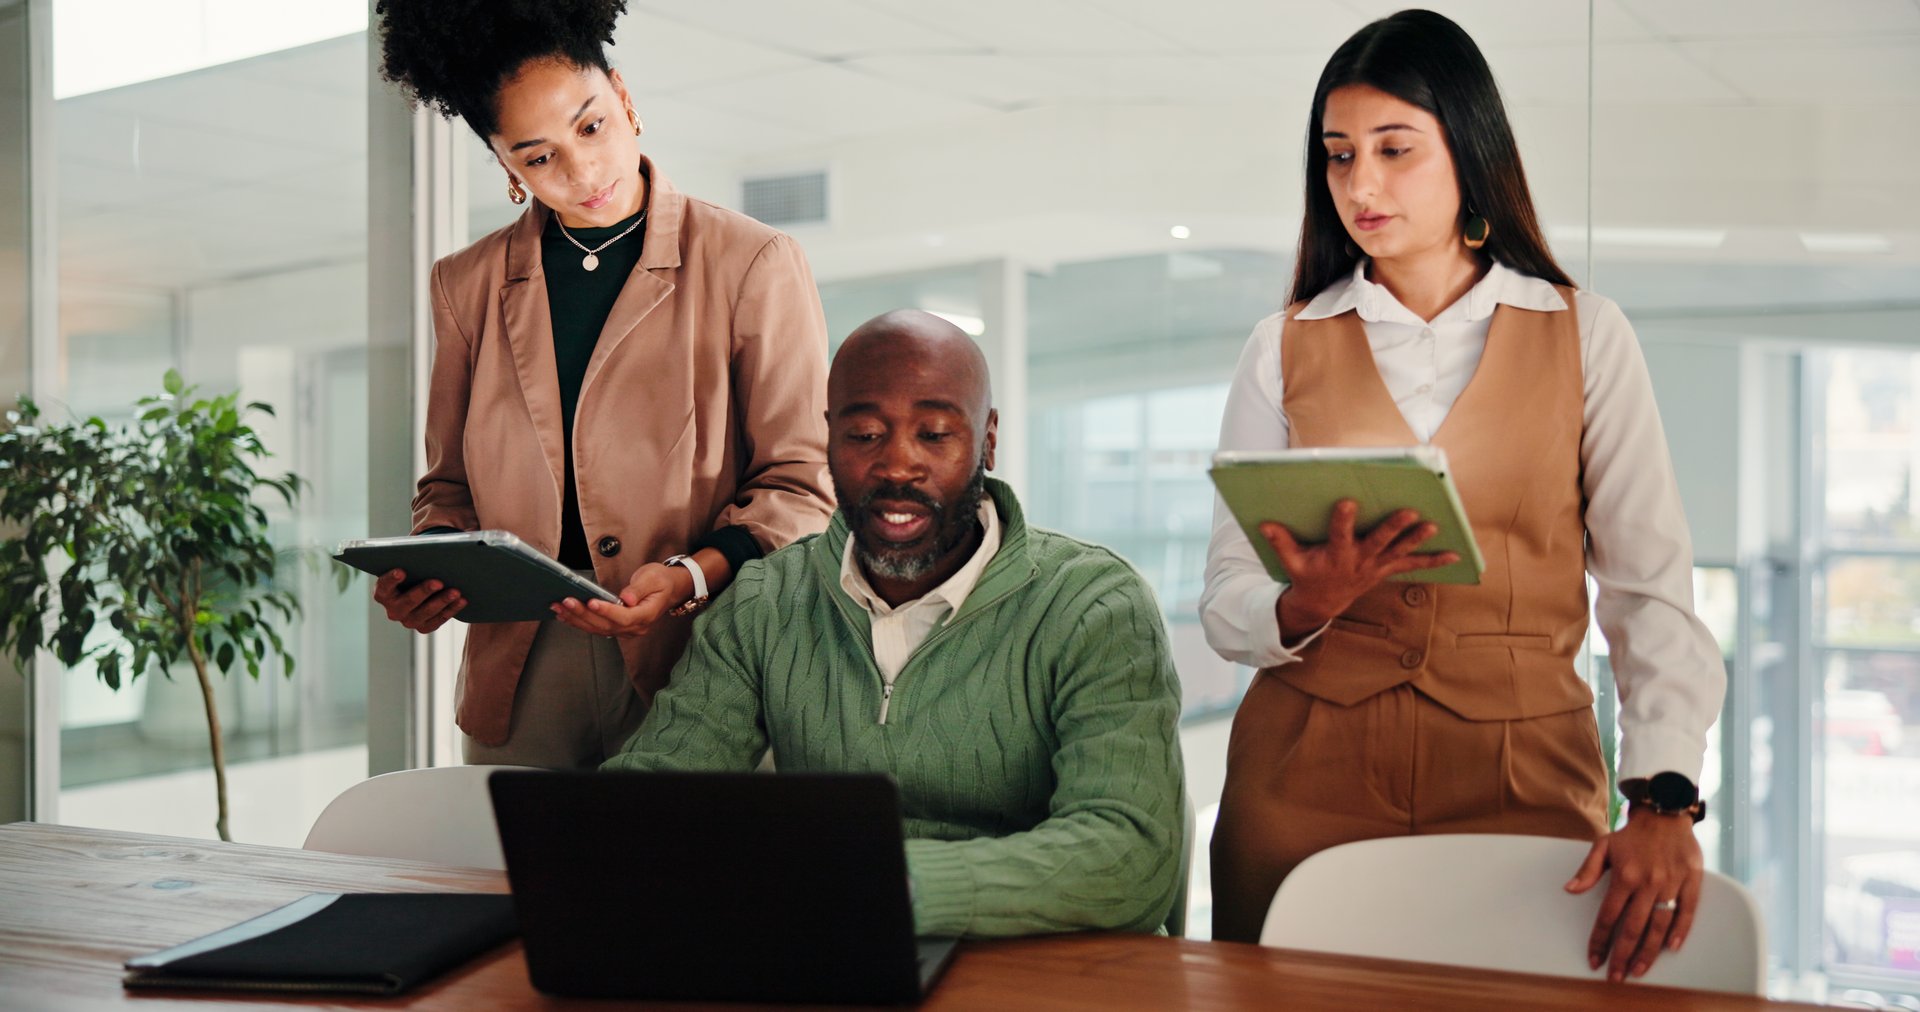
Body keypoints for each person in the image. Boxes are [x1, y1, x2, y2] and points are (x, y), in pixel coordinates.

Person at [1200, 10, 1726, 981]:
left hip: (1521, 778)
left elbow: (1649, 591)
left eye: (1395, 149)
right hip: (1303, 775)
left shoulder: (1584, 335)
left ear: (1468, 150)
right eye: (1339, 154)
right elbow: (1227, 594)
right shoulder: (1282, 345)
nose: (1361, 183)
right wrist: (1299, 602)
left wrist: (1663, 797)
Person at [603, 310, 1186, 938]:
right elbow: (658, 796)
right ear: (828, 440)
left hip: (1046, 966)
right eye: (864, 436)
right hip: (830, 949)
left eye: (934, 434)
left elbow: (1128, 853)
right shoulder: (763, 601)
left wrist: (882, 885)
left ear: (987, 440)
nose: (897, 466)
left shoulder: (1095, 605)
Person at [369, 0, 834, 768]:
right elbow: (447, 487)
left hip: (700, 647)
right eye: (538, 155)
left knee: (687, 886)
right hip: (521, 672)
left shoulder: (752, 261)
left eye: (590, 127)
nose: (583, 172)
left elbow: (802, 483)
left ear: (625, 99)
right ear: (506, 167)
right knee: (517, 885)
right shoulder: (466, 286)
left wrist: (689, 575)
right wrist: (436, 565)